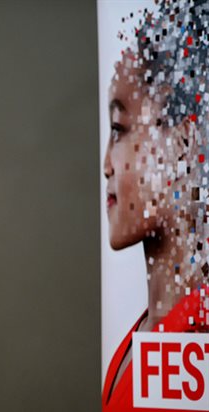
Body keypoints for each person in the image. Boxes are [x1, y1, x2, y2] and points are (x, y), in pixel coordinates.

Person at [102, 2, 209, 410]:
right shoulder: (138, 337)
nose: (106, 164)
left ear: (182, 143)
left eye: (119, 129)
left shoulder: (200, 332)